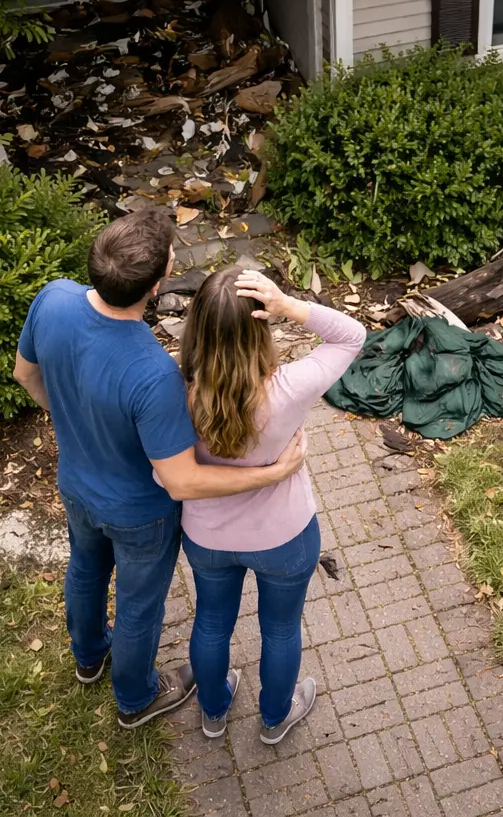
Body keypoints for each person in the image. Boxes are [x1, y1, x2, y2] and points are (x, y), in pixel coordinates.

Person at [12, 209, 307, 730]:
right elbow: (182, 480)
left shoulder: (53, 298)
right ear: (155, 285)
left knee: (84, 568)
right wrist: (272, 473)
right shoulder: (153, 372)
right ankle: (135, 697)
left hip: (77, 484)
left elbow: (25, 373)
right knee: (137, 607)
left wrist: (74, 419)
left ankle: (88, 657)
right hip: (138, 515)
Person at [179, 267, 366, 741]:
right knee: (280, 630)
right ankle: (275, 717)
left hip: (207, 536)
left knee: (211, 621)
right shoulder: (291, 386)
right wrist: (289, 305)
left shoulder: (176, 389)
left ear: (198, 325)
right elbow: (352, 335)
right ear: (259, 327)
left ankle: (214, 710)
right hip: (284, 537)